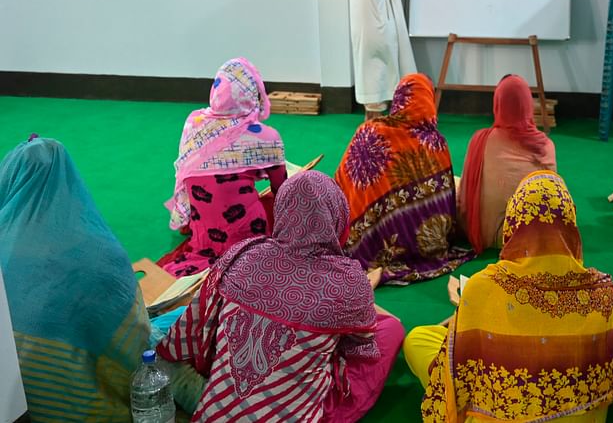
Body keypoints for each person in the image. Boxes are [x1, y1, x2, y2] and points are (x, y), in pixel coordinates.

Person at [157, 171, 405, 421]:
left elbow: (187, 336)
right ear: (338, 216)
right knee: (390, 329)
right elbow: (360, 350)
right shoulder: (349, 281)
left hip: (213, 412)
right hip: (295, 415)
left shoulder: (243, 253)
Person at [0, 137, 203, 420]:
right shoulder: (100, 256)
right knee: (182, 320)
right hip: (92, 409)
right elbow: (138, 346)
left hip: (20, 408)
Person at [404, 171, 613, 422]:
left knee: (418, 339)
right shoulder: (604, 290)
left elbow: (460, 380)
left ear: (513, 222)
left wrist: (465, 315)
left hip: (498, 416)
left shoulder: (484, 286)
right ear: (571, 222)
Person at [335, 73, 473, 285]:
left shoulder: (368, 131)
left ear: (399, 99)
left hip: (364, 246)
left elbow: (343, 185)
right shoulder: (437, 144)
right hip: (427, 248)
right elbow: (444, 206)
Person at [161, 57, 287, 276]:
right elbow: (282, 190)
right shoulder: (267, 136)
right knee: (276, 204)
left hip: (203, 233)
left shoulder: (194, 123)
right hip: (248, 234)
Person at [458, 74, 557, 253]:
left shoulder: (481, 140)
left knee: (456, 181)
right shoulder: (546, 146)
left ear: (498, 104)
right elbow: (551, 198)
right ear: (528, 105)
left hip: (488, 235)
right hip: (531, 236)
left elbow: (465, 194)